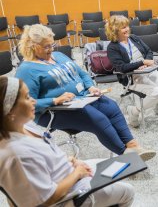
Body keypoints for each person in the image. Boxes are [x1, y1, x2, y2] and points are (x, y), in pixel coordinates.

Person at [15, 24, 155, 160]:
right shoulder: (26, 70)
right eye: (46, 46)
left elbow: (82, 73)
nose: (51, 49)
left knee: (111, 106)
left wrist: (90, 87)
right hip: (54, 110)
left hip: (81, 99)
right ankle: (125, 154)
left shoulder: (58, 55)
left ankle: (134, 146)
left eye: (52, 45)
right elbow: (24, 103)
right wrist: (55, 100)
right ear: (32, 46)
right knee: (97, 119)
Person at [0, 77, 135, 206]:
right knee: (127, 191)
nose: (34, 101)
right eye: (27, 97)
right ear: (10, 110)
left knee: (120, 167)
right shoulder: (16, 154)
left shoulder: (23, 125)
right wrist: (77, 174)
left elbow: (46, 154)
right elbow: (48, 199)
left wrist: (71, 160)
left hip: (68, 171)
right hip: (69, 197)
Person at [106, 15, 158, 127]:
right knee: (156, 93)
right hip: (132, 77)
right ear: (115, 30)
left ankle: (156, 101)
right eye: (123, 27)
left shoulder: (133, 38)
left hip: (148, 71)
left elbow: (148, 51)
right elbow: (122, 68)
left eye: (127, 26)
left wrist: (146, 62)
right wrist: (141, 63)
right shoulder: (112, 47)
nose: (127, 29)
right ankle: (134, 111)